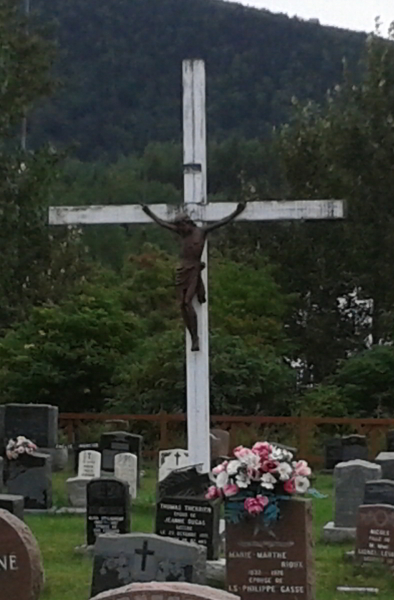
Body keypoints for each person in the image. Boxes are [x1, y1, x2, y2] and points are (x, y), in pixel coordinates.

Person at [141, 201, 246, 351]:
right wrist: (148, 212)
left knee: (187, 301)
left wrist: (237, 211)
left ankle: (195, 338)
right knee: (182, 304)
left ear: (188, 223)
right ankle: (192, 335)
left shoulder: (202, 232)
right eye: (178, 227)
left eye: (181, 226)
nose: (180, 230)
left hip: (194, 269)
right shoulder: (181, 232)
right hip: (182, 269)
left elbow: (223, 222)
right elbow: (162, 223)